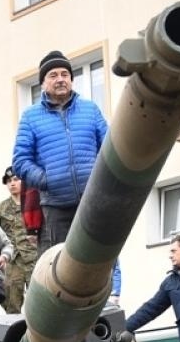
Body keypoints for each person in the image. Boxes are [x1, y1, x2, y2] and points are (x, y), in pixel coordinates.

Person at [12, 50, 108, 249]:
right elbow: (20, 161)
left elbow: (109, 148)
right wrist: (46, 180)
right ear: (43, 83)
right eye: (53, 75)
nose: (60, 79)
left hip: (93, 200)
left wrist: (100, 178)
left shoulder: (91, 109)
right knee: (65, 270)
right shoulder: (30, 117)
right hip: (57, 207)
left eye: (65, 74)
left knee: (102, 261)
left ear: (72, 80)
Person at [0, 168, 39, 314]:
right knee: (11, 303)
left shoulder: (34, 202)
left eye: (15, 180)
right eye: (8, 181)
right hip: (13, 261)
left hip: (34, 258)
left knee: (40, 301)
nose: (12, 184)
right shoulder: (1, 209)